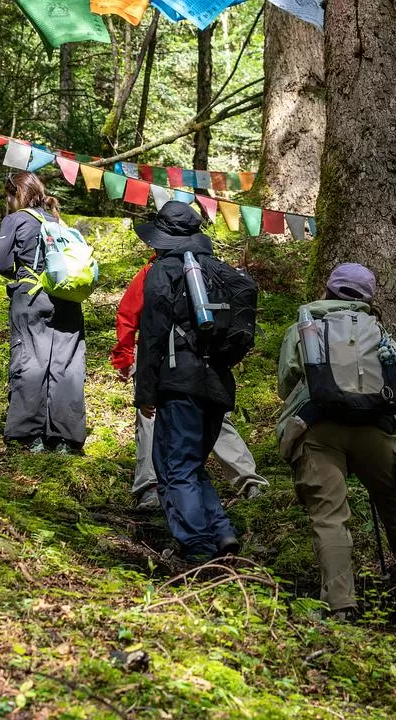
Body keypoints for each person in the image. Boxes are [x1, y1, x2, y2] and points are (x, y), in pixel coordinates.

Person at [276, 263, 396, 620]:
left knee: (329, 517)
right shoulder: (378, 331)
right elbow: (395, 387)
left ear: (327, 289)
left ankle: (340, 605)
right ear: (368, 298)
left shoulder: (304, 325)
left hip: (317, 427)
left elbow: (287, 382)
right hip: (375, 429)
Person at [111, 259, 269, 510]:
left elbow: (129, 315)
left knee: (150, 417)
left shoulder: (154, 270)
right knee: (215, 417)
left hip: (164, 359)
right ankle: (248, 480)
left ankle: (150, 486)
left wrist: (124, 357)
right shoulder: (211, 267)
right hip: (209, 356)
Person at [133, 201, 241, 562]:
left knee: (172, 465)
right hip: (218, 382)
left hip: (180, 383)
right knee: (191, 463)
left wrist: (145, 391)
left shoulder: (164, 271)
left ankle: (197, 548)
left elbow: (152, 335)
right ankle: (222, 532)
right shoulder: (217, 269)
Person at [0, 171, 87, 454]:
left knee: (30, 359)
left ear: (16, 194)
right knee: (66, 364)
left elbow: (3, 265)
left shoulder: (15, 219)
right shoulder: (56, 220)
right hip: (67, 297)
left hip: (31, 297)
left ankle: (28, 435)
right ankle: (65, 438)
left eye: (8, 197)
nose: (8, 202)